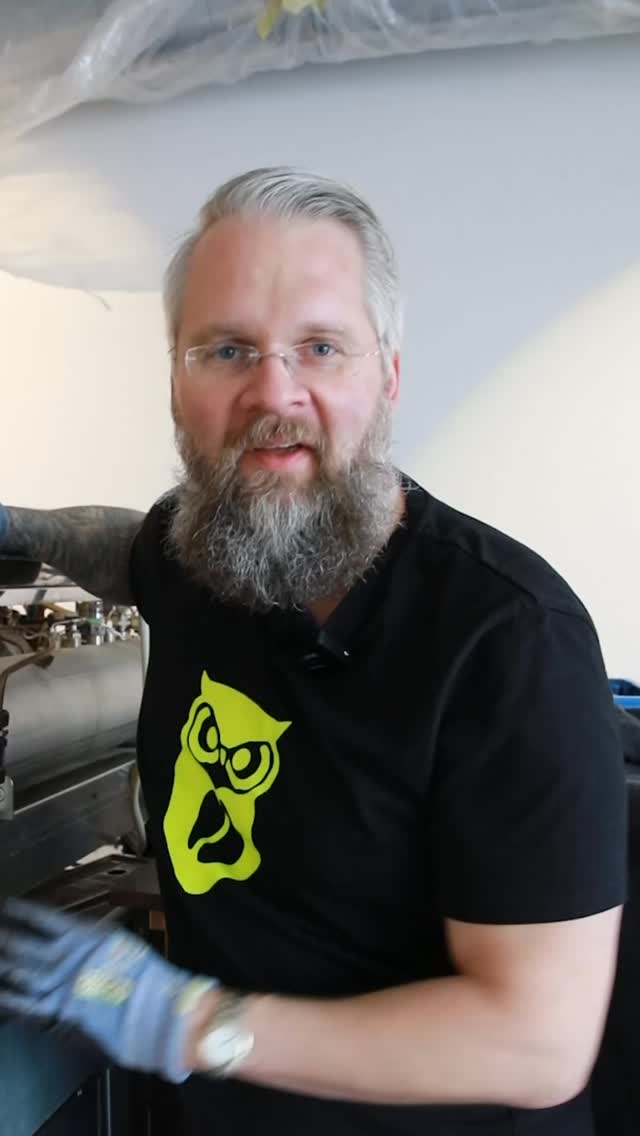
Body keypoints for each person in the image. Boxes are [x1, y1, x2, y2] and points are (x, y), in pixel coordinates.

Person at [0, 167, 627, 1136]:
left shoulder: (509, 642)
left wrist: (189, 1020)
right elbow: (126, 549)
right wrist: (15, 526)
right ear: (176, 382)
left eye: (320, 347)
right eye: (226, 349)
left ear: (388, 376)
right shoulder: (209, 551)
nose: (272, 392)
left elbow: (536, 1043)